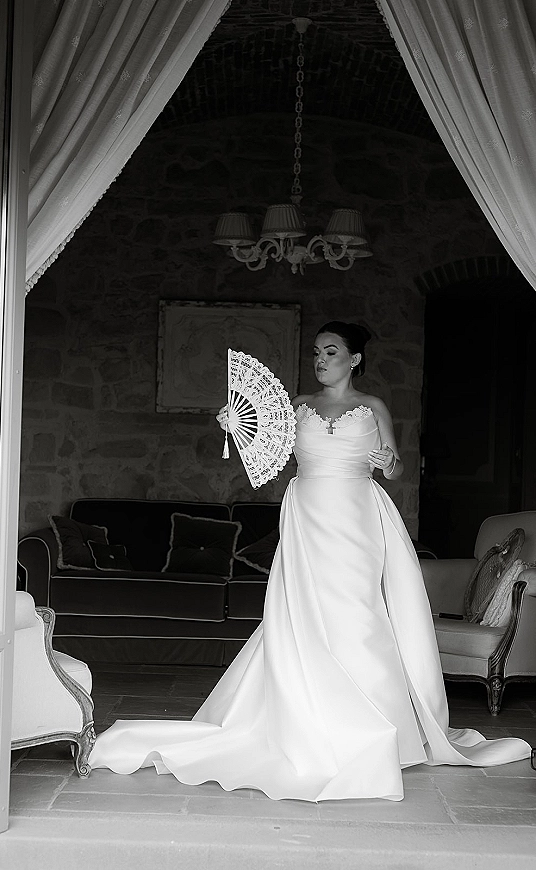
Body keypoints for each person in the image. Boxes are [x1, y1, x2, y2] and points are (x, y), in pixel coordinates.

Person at [88, 321, 530, 801]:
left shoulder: (375, 406)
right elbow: (265, 442)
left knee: (360, 613)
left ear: (354, 359)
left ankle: (379, 723)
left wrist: (388, 462)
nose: (320, 360)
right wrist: (233, 424)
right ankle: (311, 721)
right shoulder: (296, 407)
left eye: (331, 352)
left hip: (359, 517)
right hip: (309, 516)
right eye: (317, 352)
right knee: (306, 612)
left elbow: (396, 465)